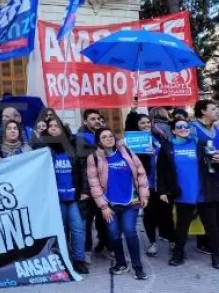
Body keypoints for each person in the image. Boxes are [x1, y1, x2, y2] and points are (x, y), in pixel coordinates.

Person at [87, 127, 149, 279]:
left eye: (110, 135)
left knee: (130, 232)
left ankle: (137, 266)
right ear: (99, 142)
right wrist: (103, 207)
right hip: (110, 205)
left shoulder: (125, 152)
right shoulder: (94, 158)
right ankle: (121, 263)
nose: (109, 139)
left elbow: (140, 173)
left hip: (131, 202)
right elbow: (94, 184)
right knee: (114, 235)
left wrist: (144, 194)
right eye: (104, 137)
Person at [157, 118, 219, 268]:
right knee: (182, 226)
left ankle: (216, 255)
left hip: (203, 191)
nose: (184, 128)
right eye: (180, 127)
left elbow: (212, 163)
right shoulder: (167, 147)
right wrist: (162, 191)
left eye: (186, 126)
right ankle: (178, 254)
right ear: (173, 131)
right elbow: (162, 171)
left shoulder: (200, 143)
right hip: (182, 193)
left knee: (211, 225)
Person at [38, 118, 90, 274]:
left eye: (56, 126)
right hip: (56, 199)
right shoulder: (44, 148)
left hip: (75, 197)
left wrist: (85, 191)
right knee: (61, 230)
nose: (54, 128)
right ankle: (63, 259)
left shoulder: (74, 146)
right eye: (51, 126)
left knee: (78, 229)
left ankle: (79, 260)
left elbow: (83, 170)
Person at [134, 113, 175, 257]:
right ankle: (152, 242)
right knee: (149, 214)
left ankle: (172, 241)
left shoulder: (161, 137)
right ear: (137, 126)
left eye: (147, 122)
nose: (145, 125)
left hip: (162, 184)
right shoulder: (134, 141)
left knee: (166, 214)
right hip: (147, 185)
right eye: (142, 123)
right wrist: (143, 153)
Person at [75, 109, 110, 260]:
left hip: (104, 187)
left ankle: (104, 245)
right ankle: (86, 250)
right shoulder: (79, 138)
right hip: (87, 188)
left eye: (98, 118)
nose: (96, 121)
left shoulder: (105, 136)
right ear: (85, 122)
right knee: (87, 221)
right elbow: (82, 162)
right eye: (92, 119)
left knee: (104, 219)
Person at [191, 100, 219, 255]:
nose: (217, 111)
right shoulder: (192, 129)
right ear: (203, 111)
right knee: (210, 220)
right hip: (202, 181)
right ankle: (214, 253)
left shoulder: (216, 129)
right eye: (213, 108)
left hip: (217, 178)